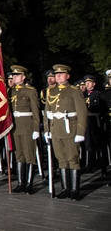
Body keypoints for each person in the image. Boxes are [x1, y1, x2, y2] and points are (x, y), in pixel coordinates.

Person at [44, 64, 88, 201]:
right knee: (61, 160)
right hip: (56, 129)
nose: (58, 76)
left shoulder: (74, 91)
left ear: (67, 76)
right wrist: (47, 130)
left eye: (61, 74)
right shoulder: (50, 91)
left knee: (73, 159)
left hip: (70, 129)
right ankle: (64, 189)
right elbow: (47, 112)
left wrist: (80, 131)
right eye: (56, 74)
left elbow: (82, 112)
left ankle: (75, 190)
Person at [9, 65, 41, 194]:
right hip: (15, 127)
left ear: (23, 77)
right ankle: (21, 183)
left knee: (29, 156)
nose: (14, 77)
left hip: (27, 126)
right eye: (14, 75)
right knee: (19, 156)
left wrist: (36, 128)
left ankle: (29, 183)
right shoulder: (10, 91)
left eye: (17, 75)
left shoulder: (30, 91)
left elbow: (35, 111)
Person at [82, 74, 108, 175]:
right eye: (86, 82)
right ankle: (89, 165)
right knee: (88, 143)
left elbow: (102, 108)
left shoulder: (98, 94)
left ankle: (103, 166)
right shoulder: (82, 95)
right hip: (86, 120)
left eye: (89, 82)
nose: (87, 84)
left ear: (94, 83)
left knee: (99, 143)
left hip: (95, 120)